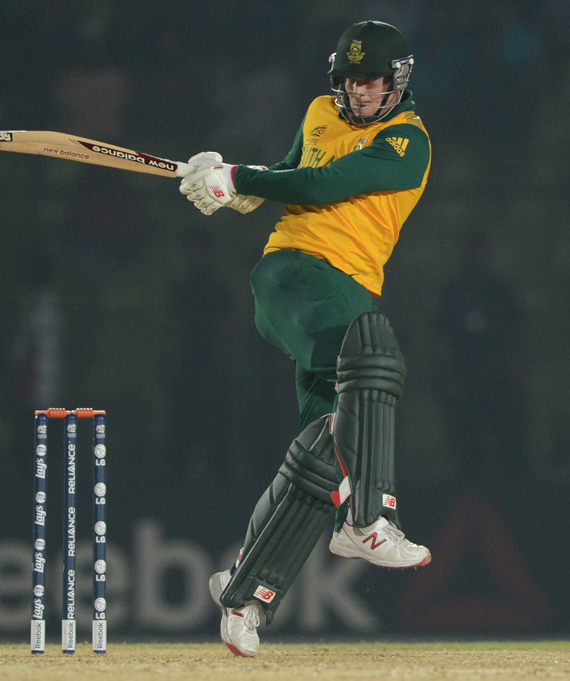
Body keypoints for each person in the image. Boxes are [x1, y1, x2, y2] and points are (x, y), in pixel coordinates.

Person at [178, 21, 432, 657]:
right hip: (297, 273)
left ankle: (243, 596)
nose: (359, 92)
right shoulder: (320, 111)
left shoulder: (408, 140)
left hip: (344, 289)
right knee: (375, 351)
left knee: (324, 450)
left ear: (396, 82)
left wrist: (240, 179)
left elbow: (321, 184)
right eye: (349, 80)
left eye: (372, 81)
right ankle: (371, 517)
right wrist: (235, 188)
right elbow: (289, 173)